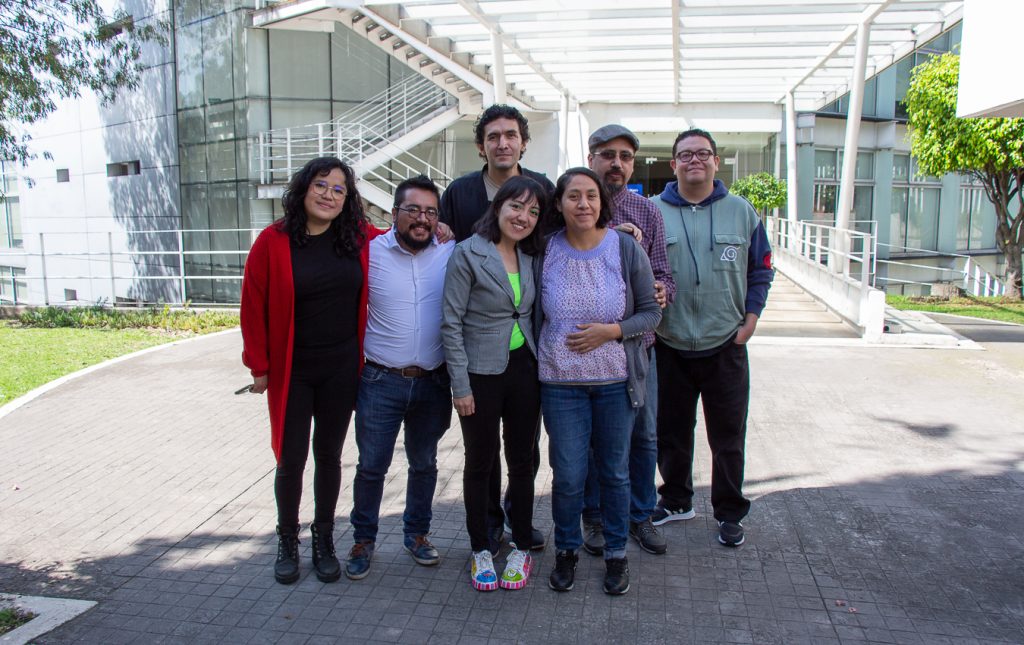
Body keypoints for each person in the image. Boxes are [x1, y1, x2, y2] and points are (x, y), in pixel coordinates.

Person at [240, 156, 381, 585]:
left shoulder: (357, 237)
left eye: (339, 189)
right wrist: (259, 366)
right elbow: (252, 307)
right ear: (304, 188)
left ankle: (324, 539)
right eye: (321, 185)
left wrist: (440, 228)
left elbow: (401, 238)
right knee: (291, 458)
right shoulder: (273, 241)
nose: (328, 195)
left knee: (329, 457)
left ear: (347, 199)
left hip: (341, 368)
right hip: (293, 370)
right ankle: (287, 539)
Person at [536, 167, 662, 596]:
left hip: (614, 384)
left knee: (614, 473)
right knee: (568, 476)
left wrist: (612, 331)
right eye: (573, 196)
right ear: (559, 204)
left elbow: (651, 313)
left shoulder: (624, 248)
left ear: (602, 202)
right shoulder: (544, 249)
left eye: (591, 195)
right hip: (559, 385)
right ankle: (566, 550)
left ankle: (616, 554)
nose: (583, 203)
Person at [650, 128, 774, 547]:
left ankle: (729, 511)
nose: (695, 160)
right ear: (674, 164)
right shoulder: (653, 212)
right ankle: (676, 499)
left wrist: (751, 319)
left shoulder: (742, 212)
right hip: (668, 343)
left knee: (728, 436)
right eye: (686, 155)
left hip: (725, 344)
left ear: (716, 162)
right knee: (670, 431)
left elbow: (761, 269)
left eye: (703, 153)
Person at [439, 103, 554, 552]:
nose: (523, 215)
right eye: (515, 207)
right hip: (481, 370)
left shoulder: (532, 249)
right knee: (481, 461)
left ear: (523, 142)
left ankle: (520, 529)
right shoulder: (467, 242)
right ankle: (484, 537)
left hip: (526, 366)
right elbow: (451, 319)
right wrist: (460, 385)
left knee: (523, 457)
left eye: (532, 210)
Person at [345, 175, 456, 580]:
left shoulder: (450, 250)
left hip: (433, 381)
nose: (422, 219)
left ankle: (417, 535)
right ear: (394, 213)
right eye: (413, 210)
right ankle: (363, 539)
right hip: (380, 381)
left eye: (430, 212)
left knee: (424, 463)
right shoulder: (370, 252)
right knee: (372, 466)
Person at [580, 124, 676, 557]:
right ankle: (595, 518)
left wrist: (662, 291)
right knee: (593, 440)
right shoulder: (575, 204)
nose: (616, 163)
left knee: (644, 436)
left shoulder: (647, 211)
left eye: (625, 156)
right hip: (585, 350)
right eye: (607, 155)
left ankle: (640, 515)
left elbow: (664, 274)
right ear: (591, 159)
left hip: (638, 348)